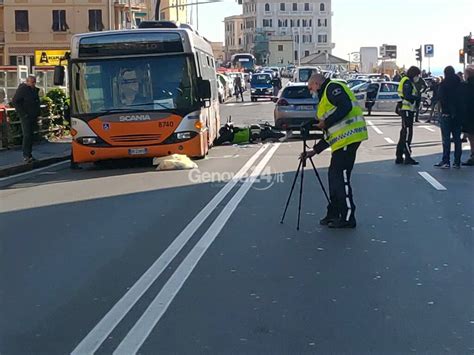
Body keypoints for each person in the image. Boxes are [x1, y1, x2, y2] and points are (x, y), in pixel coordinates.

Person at [302, 73, 368, 229]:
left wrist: (327, 122)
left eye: (311, 88)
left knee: (341, 178)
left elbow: (346, 107)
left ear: (317, 83)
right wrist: (314, 151)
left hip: (349, 139)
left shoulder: (332, 88)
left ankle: (347, 216)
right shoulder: (326, 96)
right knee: (334, 177)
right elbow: (331, 132)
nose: (311, 92)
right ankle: (334, 213)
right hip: (342, 141)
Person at [435, 66, 463, 169]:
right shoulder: (460, 84)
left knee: (446, 139)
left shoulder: (443, 84)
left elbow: (440, 98)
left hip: (446, 114)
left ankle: (446, 161)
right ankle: (457, 161)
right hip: (458, 115)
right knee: (457, 139)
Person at [11, 75, 41, 163]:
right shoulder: (23, 89)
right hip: (26, 116)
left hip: (32, 115)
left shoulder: (34, 90)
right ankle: (26, 155)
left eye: (34, 82)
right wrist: (23, 114)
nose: (34, 84)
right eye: (32, 82)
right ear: (27, 82)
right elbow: (15, 101)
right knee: (27, 135)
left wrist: (38, 113)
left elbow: (36, 102)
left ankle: (29, 154)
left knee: (31, 135)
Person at [396, 66, 421, 165]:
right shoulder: (407, 82)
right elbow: (407, 96)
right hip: (407, 110)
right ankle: (407, 156)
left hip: (406, 110)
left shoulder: (407, 81)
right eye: (417, 75)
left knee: (403, 134)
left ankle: (399, 156)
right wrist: (416, 98)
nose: (417, 77)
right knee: (407, 134)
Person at [460, 65, 474, 166]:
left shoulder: (466, 85)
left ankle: (473, 156)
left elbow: (463, 100)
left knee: (471, 136)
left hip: (470, 114)